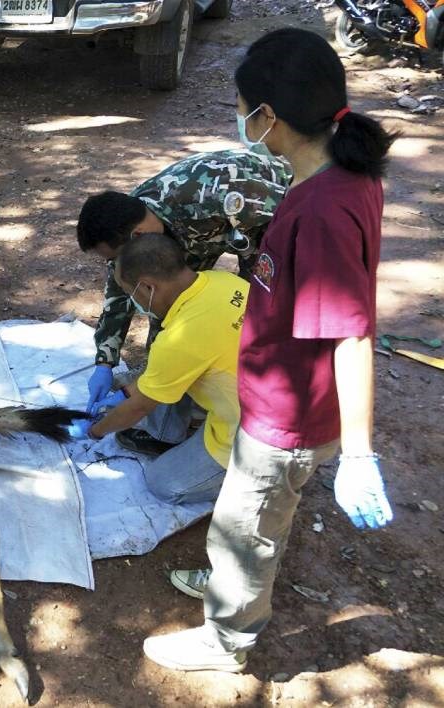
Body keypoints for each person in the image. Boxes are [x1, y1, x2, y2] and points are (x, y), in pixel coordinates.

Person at [142, 28, 397, 674]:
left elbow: (352, 333)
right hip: (277, 401)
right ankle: (233, 582)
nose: (239, 118)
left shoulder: (322, 210)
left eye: (242, 106)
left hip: (287, 420)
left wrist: (359, 453)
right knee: (251, 517)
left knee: (247, 521)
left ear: (270, 118)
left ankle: (226, 639)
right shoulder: (337, 173)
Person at [75, 148, 290, 454]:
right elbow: (121, 293)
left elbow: (283, 226)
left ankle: (262, 414)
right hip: (224, 232)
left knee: (257, 318)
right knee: (172, 335)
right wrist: (105, 361)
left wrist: (257, 303)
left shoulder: (209, 197)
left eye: (115, 258)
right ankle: (167, 428)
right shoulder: (129, 224)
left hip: (268, 215)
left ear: (137, 239)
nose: (115, 264)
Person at [67, 233, 247, 509]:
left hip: (258, 432)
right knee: (162, 373)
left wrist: (95, 431)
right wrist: (126, 391)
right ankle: (168, 435)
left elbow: (139, 408)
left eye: (131, 294)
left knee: (163, 483)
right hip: (265, 390)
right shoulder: (225, 281)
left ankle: (254, 480)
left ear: (148, 288)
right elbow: (168, 371)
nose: (135, 303)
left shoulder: (180, 339)